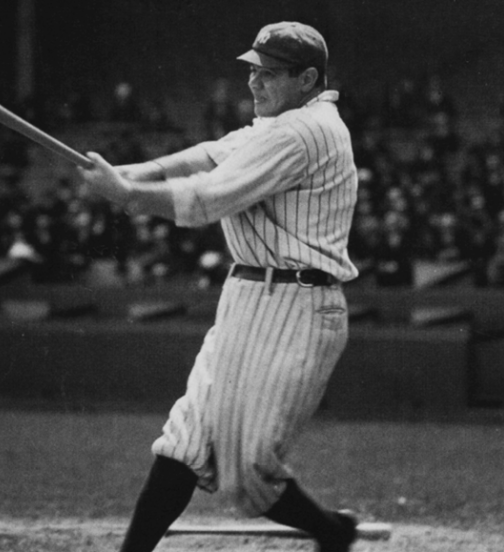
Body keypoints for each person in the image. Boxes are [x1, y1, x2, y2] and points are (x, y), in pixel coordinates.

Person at [77, 21, 360, 552]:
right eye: (253, 70)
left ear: (307, 79)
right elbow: (210, 154)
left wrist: (126, 195)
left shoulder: (307, 131)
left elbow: (209, 196)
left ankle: (332, 532)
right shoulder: (277, 124)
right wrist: (132, 171)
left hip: (301, 306)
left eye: (269, 73)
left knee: (248, 469)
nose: (254, 82)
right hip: (247, 296)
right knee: (184, 440)